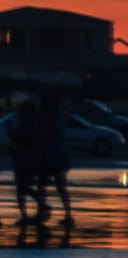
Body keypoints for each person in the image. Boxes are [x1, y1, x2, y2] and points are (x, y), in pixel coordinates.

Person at [10, 94, 48, 223]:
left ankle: (25, 215)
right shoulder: (36, 125)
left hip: (22, 158)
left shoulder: (24, 125)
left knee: (21, 188)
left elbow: (15, 138)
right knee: (26, 187)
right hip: (32, 159)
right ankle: (39, 205)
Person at [38, 91, 75, 225]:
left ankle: (42, 212)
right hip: (60, 156)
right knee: (59, 187)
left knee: (42, 185)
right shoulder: (59, 115)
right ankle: (68, 215)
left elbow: (46, 137)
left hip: (52, 156)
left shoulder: (50, 117)